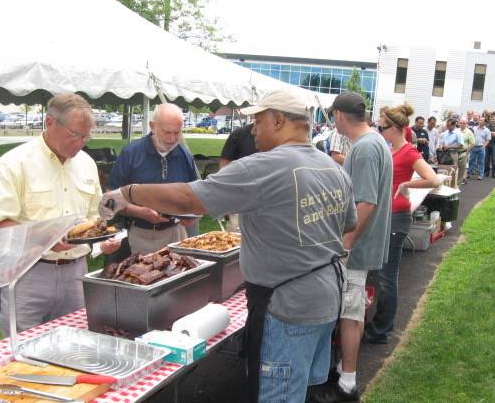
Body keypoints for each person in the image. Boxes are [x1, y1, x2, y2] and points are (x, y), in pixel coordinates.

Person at [99, 87, 357, 403]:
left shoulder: (265, 166)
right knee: (299, 389)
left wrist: (129, 192)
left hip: (287, 305)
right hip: (327, 297)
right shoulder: (332, 167)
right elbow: (348, 224)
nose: (252, 129)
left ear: (277, 121)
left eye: (258, 120)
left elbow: (189, 197)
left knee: (278, 396)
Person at [0, 93, 120, 336]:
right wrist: (43, 238)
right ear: (49, 123)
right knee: (22, 352)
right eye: (74, 134)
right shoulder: (16, 163)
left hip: (76, 272)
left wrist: (102, 242)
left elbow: (94, 218)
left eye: (86, 136)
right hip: (28, 273)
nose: (80, 143)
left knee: (75, 346)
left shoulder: (87, 163)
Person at [309, 92, 392, 403]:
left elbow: (366, 202)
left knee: (350, 313)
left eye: (333, 117)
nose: (333, 122)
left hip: (356, 250)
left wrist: (346, 243)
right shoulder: (371, 143)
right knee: (351, 312)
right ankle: (343, 372)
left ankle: (347, 384)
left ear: (340, 116)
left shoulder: (368, 147)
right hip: (359, 246)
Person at [363, 104, 441, 347]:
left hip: (396, 217)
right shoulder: (391, 149)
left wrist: (406, 185)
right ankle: (380, 325)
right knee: (382, 274)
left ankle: (381, 329)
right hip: (387, 216)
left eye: (382, 127)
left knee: (387, 276)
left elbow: (433, 179)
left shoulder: (408, 152)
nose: (379, 130)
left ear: (395, 129)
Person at [108, 104, 198, 255]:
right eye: (167, 132)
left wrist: (191, 214)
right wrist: (139, 212)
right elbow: (110, 199)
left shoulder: (184, 155)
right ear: (152, 126)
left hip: (176, 233)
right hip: (140, 233)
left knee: (180, 276)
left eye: (177, 133)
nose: (172, 139)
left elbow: (193, 194)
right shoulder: (131, 153)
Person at [219, 120, 257, 231]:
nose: (254, 132)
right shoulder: (239, 134)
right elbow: (224, 166)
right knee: (234, 238)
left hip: (267, 204)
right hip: (239, 200)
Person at [438, 116, 464, 185]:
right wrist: (442, 146)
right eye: (447, 126)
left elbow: (461, 146)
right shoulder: (446, 132)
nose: (448, 127)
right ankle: (444, 184)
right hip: (444, 153)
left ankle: (453, 185)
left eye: (449, 126)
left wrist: (449, 147)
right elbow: (443, 141)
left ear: (454, 125)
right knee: (443, 169)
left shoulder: (458, 133)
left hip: (453, 153)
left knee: (452, 170)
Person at [458, 117, 475, 184]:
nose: (462, 124)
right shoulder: (457, 130)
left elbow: (473, 143)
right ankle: (456, 180)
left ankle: (461, 180)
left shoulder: (469, 132)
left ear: (467, 124)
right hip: (455, 152)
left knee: (463, 167)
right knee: (456, 167)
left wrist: (467, 151)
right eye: (461, 123)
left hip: (464, 152)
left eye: (464, 123)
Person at [484, 113, 495, 178]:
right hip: (487, 143)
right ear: (490, 119)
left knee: (494, 159)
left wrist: (490, 133)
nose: (492, 120)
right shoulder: (486, 126)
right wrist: (492, 133)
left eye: (494, 119)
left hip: (494, 144)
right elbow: (485, 134)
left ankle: (494, 173)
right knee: (486, 159)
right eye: (491, 119)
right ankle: (486, 173)